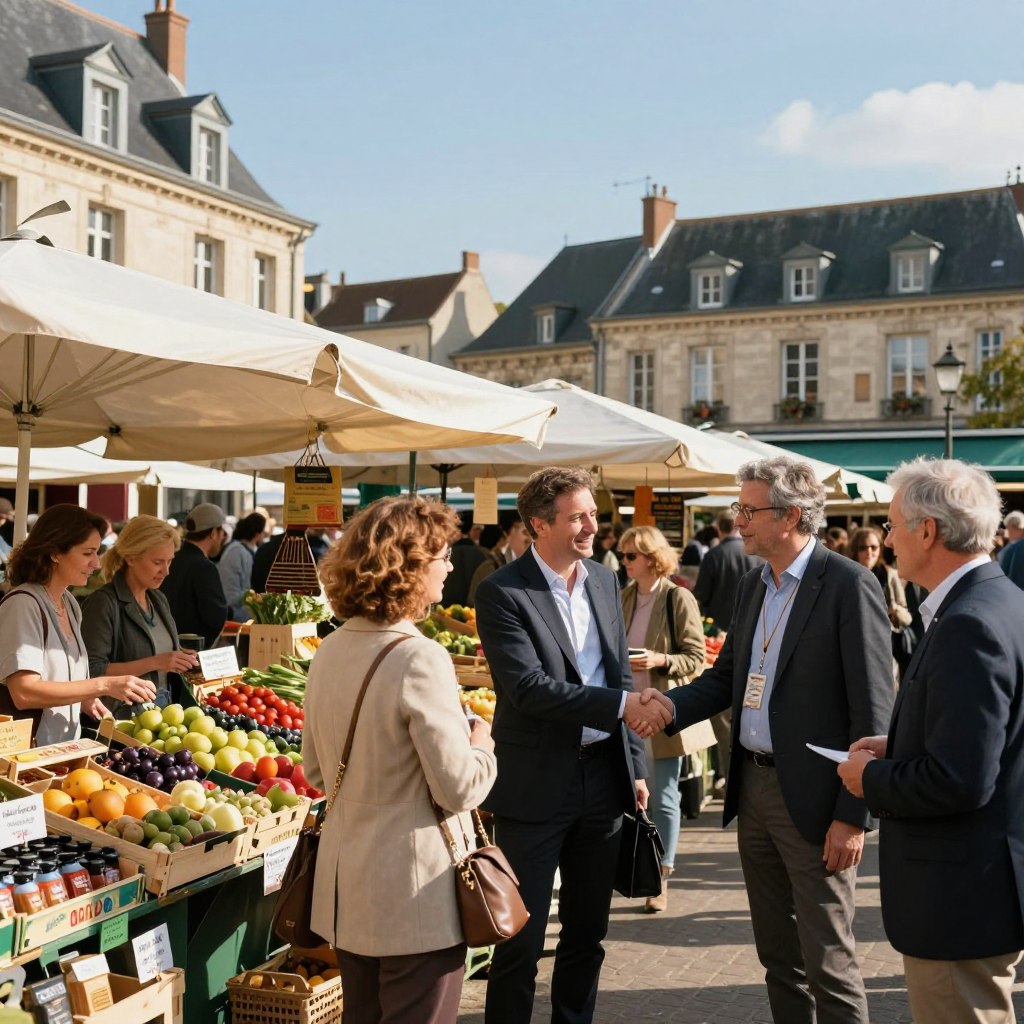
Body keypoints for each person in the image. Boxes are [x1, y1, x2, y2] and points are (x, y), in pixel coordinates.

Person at [641, 456, 894, 1024]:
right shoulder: (756, 583)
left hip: (815, 798)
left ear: (792, 516)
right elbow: (726, 679)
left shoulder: (849, 585)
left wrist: (854, 816)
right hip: (752, 789)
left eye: (749, 510)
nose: (739, 521)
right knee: (778, 958)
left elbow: (874, 712)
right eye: (739, 508)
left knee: (828, 960)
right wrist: (666, 708)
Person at [474, 466, 670, 1024]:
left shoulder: (606, 581)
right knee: (520, 941)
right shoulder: (502, 591)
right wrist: (618, 708)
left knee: (588, 935)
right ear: (539, 524)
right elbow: (528, 688)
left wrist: (634, 765)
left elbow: (617, 675)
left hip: (603, 782)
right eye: (578, 516)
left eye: (593, 514)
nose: (592, 526)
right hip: (535, 789)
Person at [838, 459, 1024, 1024]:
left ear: (927, 530)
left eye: (893, 525)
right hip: (981, 884)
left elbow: (960, 779)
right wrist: (899, 744)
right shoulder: (1001, 601)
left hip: (960, 897)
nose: (887, 538)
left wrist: (867, 779)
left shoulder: (971, 622)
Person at [303, 496, 496, 1024]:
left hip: (348, 888)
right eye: (442, 556)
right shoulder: (419, 656)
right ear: (410, 567)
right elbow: (458, 787)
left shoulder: (329, 649)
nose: (451, 566)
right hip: (414, 893)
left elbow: (317, 773)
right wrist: (483, 743)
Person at [0, 505, 156, 745]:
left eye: (97, 552)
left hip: (62, 750)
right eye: (87, 553)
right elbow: (24, 692)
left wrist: (86, 700)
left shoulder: (69, 602)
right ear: (55, 553)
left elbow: (62, 679)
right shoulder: (23, 604)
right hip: (28, 755)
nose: (95, 563)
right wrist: (102, 685)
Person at [619, 524, 711, 913]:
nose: (623, 562)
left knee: (665, 796)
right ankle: (634, 870)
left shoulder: (677, 598)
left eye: (630, 555)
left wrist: (659, 660)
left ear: (652, 559)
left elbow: (696, 657)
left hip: (661, 710)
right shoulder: (623, 596)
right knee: (631, 796)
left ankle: (662, 875)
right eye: (623, 555)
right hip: (625, 711)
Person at [80, 515, 198, 717]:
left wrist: (181, 657)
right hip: (119, 720)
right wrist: (156, 661)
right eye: (158, 562)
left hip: (162, 715)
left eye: (169, 561)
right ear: (131, 557)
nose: (166, 571)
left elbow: (158, 651)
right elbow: (91, 670)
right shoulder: (103, 603)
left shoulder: (158, 599)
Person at [693, 509, 764, 793]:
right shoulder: (756, 559)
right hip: (747, 641)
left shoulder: (714, 556)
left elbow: (701, 597)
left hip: (720, 637)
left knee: (725, 716)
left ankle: (727, 772)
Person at [159, 503, 229, 649]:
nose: (223, 538)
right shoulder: (204, 567)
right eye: (222, 532)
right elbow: (216, 617)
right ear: (213, 533)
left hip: (165, 647)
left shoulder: (172, 559)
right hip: (192, 653)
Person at [848, 525, 912, 678]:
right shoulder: (846, 575)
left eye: (874, 547)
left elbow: (907, 617)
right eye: (863, 547)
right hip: (853, 643)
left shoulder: (889, 574)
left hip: (884, 643)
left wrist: (894, 609)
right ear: (855, 550)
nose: (869, 552)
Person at [217, 512, 267, 621]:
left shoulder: (247, 551)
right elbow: (230, 595)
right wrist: (255, 595)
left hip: (245, 617)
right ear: (258, 534)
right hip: (237, 619)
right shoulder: (236, 553)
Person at [440, 511, 489, 607]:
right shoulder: (481, 554)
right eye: (477, 529)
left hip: (444, 606)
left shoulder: (445, 553)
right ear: (471, 529)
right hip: (471, 610)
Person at [997, 509, 1024, 589]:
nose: (1008, 534)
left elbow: (1002, 572)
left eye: (1008, 529)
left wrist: (998, 548)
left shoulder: (1015, 546)